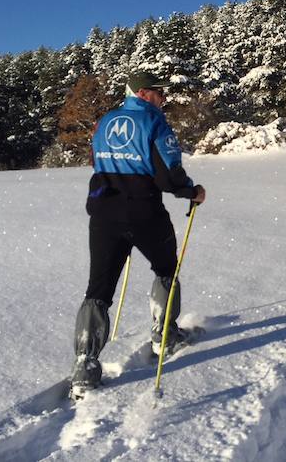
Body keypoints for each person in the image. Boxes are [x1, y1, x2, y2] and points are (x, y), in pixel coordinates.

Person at [70, 71, 206, 395]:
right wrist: (192, 191)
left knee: (98, 289)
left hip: (103, 211)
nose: (163, 98)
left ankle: (84, 364)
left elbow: (95, 161)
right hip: (143, 211)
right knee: (166, 268)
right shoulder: (154, 123)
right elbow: (168, 176)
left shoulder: (104, 122)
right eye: (159, 93)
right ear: (143, 94)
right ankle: (165, 335)